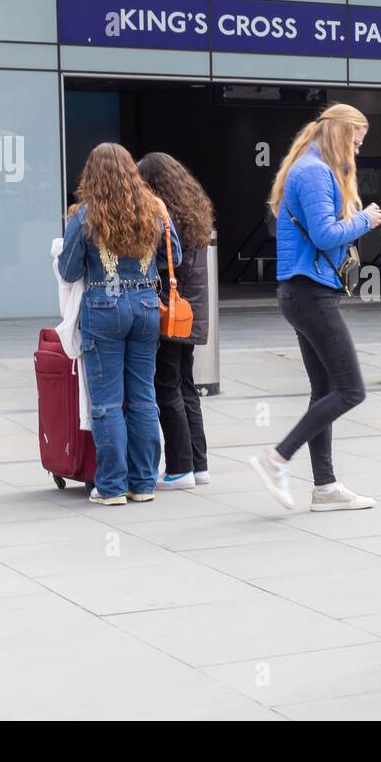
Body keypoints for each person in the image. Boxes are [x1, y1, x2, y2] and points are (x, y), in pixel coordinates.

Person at [248, 103, 381, 512]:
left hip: (306, 291)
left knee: (325, 389)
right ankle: (276, 458)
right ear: (341, 135)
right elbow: (327, 235)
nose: (358, 152)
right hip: (309, 292)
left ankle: (325, 487)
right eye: (357, 142)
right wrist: (365, 219)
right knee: (351, 389)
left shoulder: (311, 167)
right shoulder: (313, 172)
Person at [58, 143, 179, 505]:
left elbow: (68, 270)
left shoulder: (85, 216)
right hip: (144, 304)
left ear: (91, 175)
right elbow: (175, 254)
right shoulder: (154, 210)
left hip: (103, 306)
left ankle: (111, 487)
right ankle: (143, 483)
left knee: (107, 403)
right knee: (143, 398)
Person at [138, 152, 214, 491]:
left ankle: (179, 468)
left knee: (166, 387)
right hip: (189, 312)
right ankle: (199, 465)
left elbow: (165, 264)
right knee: (186, 387)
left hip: (171, 312)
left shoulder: (165, 216)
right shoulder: (193, 209)